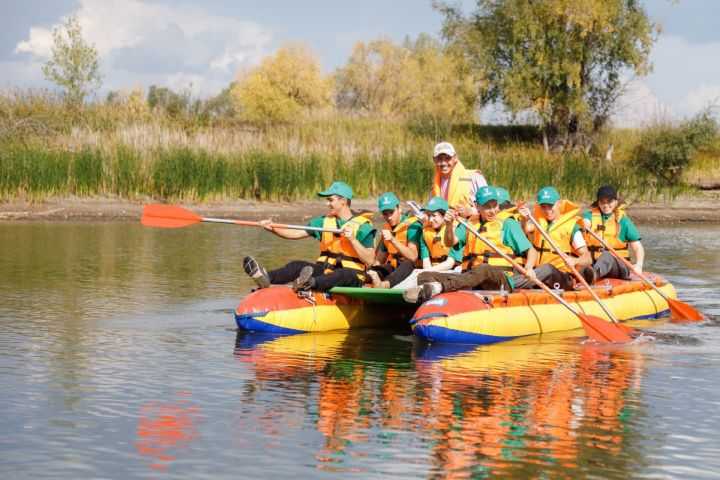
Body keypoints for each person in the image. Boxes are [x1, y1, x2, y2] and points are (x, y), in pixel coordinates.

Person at [403, 186, 538, 303]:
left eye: (495, 205)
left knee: (484, 269)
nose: (492, 210)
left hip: (499, 280)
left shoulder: (508, 224)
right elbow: (450, 242)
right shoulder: (469, 223)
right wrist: (449, 225)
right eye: (486, 206)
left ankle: (439, 288)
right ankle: (436, 301)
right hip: (473, 279)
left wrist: (529, 267)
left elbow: (531, 251)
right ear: (477, 206)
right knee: (425, 276)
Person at [242, 181, 377, 292]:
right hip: (326, 271)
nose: (327, 203)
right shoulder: (323, 221)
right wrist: (273, 228)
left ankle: (308, 284)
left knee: (343, 274)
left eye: (330, 200)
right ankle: (266, 277)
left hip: (352, 277)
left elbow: (370, 260)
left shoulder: (363, 227)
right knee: (297, 265)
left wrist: (353, 240)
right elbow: (295, 233)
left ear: (343, 201)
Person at [517, 186, 593, 291]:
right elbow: (524, 230)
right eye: (543, 206)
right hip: (540, 274)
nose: (547, 210)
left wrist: (575, 261)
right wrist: (523, 219)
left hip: (563, 277)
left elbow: (588, 259)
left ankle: (513, 283)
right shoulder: (539, 222)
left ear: (559, 203)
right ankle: (514, 281)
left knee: (548, 269)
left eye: (550, 206)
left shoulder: (571, 226)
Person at [581, 185, 645, 282]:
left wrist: (639, 264)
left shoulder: (624, 222)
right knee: (581, 261)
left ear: (616, 202)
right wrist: (584, 225)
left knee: (606, 255)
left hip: (618, 267)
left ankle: (594, 274)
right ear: (598, 202)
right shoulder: (589, 216)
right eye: (602, 202)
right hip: (592, 263)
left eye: (609, 201)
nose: (606, 205)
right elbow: (585, 222)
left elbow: (637, 247)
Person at [366, 192, 423, 289]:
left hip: (411, 270)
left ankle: (384, 285)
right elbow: (380, 260)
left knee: (408, 263)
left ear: (399, 208)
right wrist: (372, 269)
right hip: (394, 269)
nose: (389, 217)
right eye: (385, 214)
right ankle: (361, 287)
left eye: (391, 212)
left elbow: (413, 256)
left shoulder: (413, 226)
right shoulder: (387, 228)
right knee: (374, 270)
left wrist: (393, 240)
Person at [429, 141, 487, 217]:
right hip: (445, 225)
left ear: (455, 158)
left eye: (447, 158)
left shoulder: (474, 177)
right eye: (439, 159)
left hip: (470, 224)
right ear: (434, 160)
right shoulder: (435, 184)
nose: (443, 163)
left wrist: (471, 211)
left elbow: (491, 204)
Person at [417, 197, 465, 272]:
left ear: (445, 214)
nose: (430, 220)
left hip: (453, 270)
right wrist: (427, 273)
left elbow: (450, 262)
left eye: (434, 215)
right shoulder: (425, 231)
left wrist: (428, 272)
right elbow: (426, 260)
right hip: (432, 270)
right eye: (429, 215)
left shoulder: (459, 228)